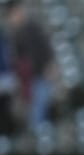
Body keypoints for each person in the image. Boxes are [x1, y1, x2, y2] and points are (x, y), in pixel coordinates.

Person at [4, 0, 54, 133]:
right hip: (27, 80)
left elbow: (45, 46)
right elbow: (16, 60)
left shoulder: (32, 27)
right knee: (34, 113)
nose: (14, 18)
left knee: (39, 111)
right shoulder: (14, 35)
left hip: (39, 75)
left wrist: (49, 65)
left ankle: (42, 137)